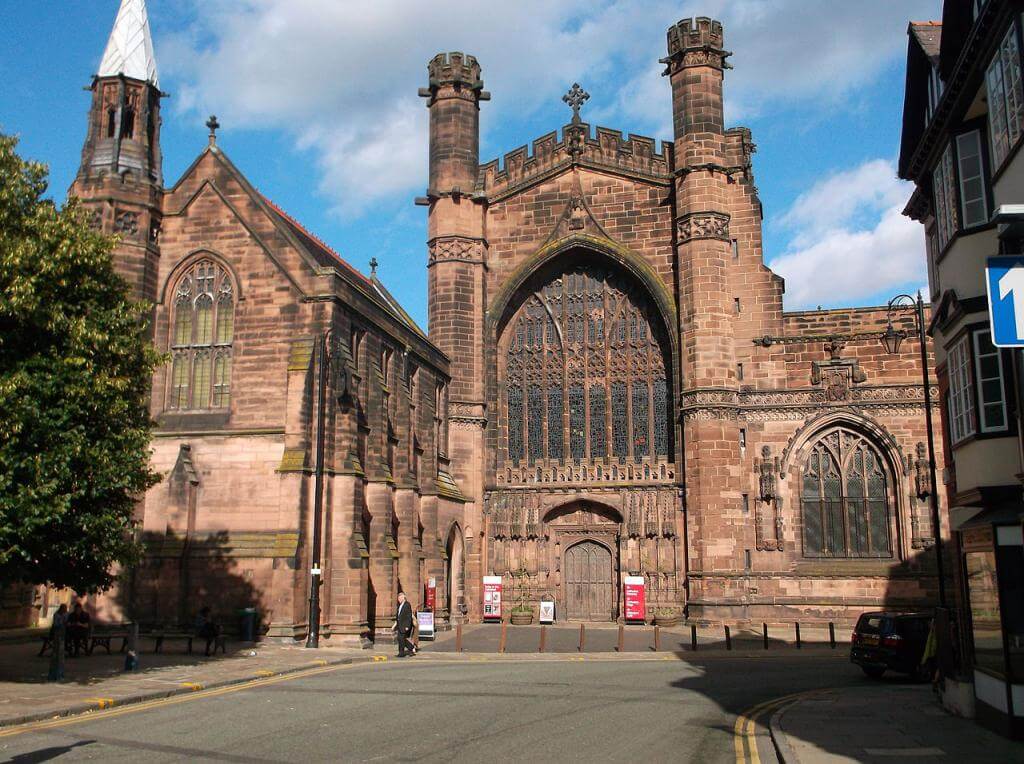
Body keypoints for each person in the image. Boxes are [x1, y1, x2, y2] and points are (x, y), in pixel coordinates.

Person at [47, 604, 68, 681]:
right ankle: (54, 674)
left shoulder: (66, 615)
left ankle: (60, 674)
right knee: (56, 655)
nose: (66, 610)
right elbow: (56, 625)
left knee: (61, 656)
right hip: (57, 636)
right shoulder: (57, 615)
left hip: (62, 635)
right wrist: (63, 622)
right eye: (65, 609)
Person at [392, 592, 416, 658]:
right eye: (398, 598)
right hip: (400, 625)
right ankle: (411, 647)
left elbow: (409, 616)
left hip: (404, 625)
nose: (398, 599)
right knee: (400, 638)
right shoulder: (400, 605)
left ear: (403, 597)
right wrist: (394, 625)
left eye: (399, 598)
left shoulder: (407, 605)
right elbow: (398, 616)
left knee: (401, 638)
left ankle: (401, 653)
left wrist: (407, 626)